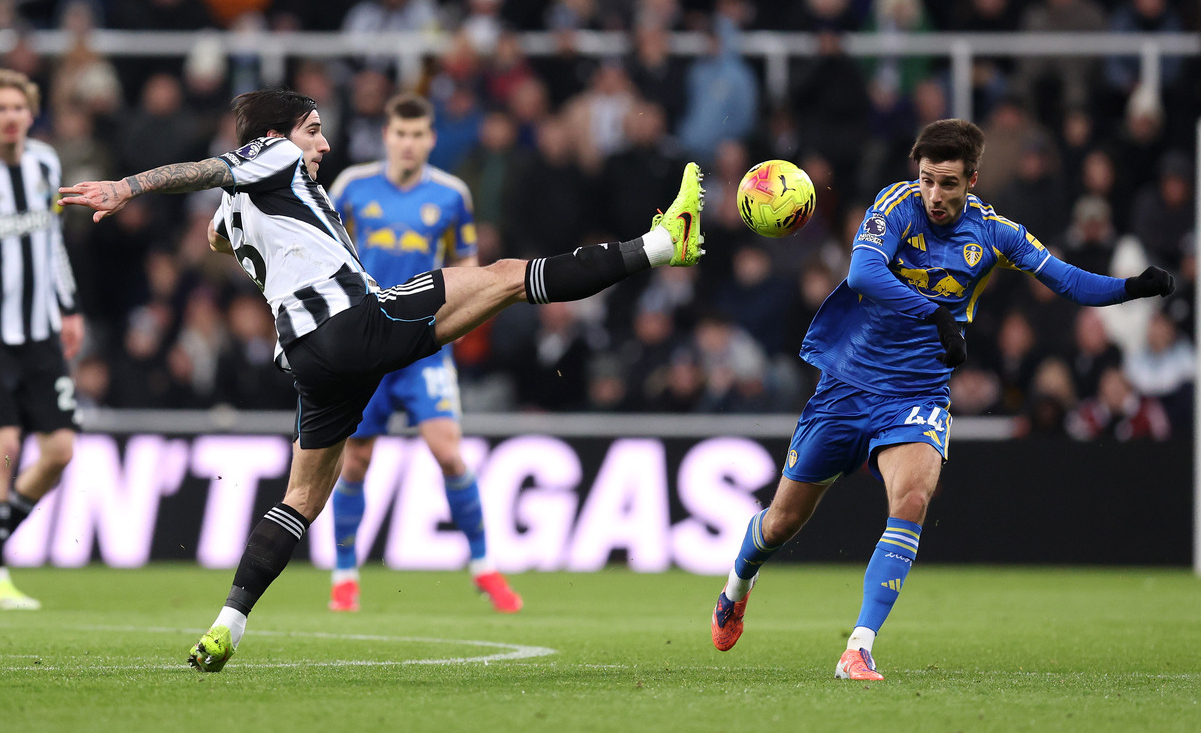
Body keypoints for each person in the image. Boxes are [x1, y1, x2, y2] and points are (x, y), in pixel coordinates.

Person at [59, 88, 705, 672]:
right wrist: (129, 186)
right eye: (314, 130)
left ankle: (227, 624)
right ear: (280, 135)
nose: (324, 144)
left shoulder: (242, 204)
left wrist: (245, 226)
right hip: (356, 322)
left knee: (301, 499)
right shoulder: (271, 155)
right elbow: (209, 170)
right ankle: (660, 245)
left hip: (308, 361)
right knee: (508, 276)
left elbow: (216, 238)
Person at [708, 119, 1175, 680]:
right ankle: (737, 586)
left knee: (910, 501)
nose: (934, 195)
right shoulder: (895, 205)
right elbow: (862, 272)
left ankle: (858, 646)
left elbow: (1066, 280)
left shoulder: (997, 233)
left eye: (948, 183)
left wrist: (1129, 289)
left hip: (918, 391)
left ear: (971, 181)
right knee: (781, 523)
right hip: (848, 385)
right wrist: (934, 312)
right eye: (927, 179)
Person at [325, 93, 520, 614]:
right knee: (356, 462)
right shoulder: (350, 188)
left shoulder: (452, 195)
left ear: (430, 139)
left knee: (449, 452)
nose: (409, 144)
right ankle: (345, 576)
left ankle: (483, 567)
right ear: (387, 136)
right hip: (367, 344)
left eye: (418, 135)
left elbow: (469, 267)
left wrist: (456, 327)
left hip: (423, 346)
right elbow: (330, 255)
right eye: (400, 134)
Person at [0, 69, 85, 610]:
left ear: (31, 114)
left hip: (40, 332)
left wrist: (69, 307)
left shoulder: (46, 164)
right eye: (1, 108)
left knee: (58, 450)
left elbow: (53, 242)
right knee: (6, 448)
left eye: (16, 108)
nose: (9, 117)